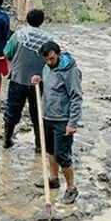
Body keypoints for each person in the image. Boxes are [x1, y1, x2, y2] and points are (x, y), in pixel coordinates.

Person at [31, 41, 82, 204]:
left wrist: (72, 123)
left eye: (52, 59)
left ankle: (71, 188)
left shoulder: (70, 71)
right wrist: (39, 80)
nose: (49, 63)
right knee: (50, 151)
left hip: (63, 119)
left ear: (58, 54)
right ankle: (53, 179)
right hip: (47, 116)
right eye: (46, 60)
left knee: (63, 155)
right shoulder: (47, 67)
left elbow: (76, 97)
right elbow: (50, 85)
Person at [2, 9, 52, 150]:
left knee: (12, 110)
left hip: (18, 79)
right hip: (38, 82)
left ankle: (7, 139)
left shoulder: (18, 35)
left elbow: (7, 53)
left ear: (27, 19)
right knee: (37, 114)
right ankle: (39, 144)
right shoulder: (48, 40)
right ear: (42, 21)